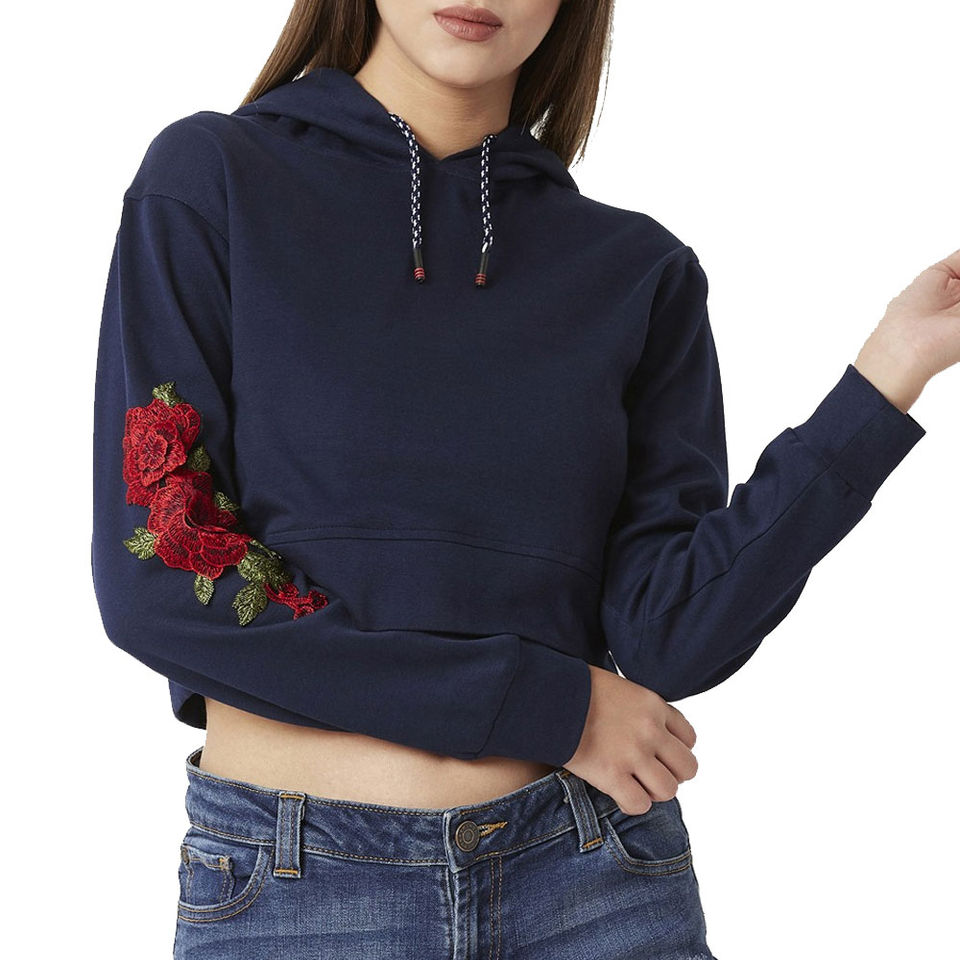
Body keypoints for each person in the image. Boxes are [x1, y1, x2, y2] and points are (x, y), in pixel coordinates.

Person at [90, 1, 958, 957]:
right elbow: (161, 579)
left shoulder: (638, 271)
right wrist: (549, 706)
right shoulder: (213, 181)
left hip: (591, 885)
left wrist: (887, 377)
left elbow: (671, 635)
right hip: (299, 892)